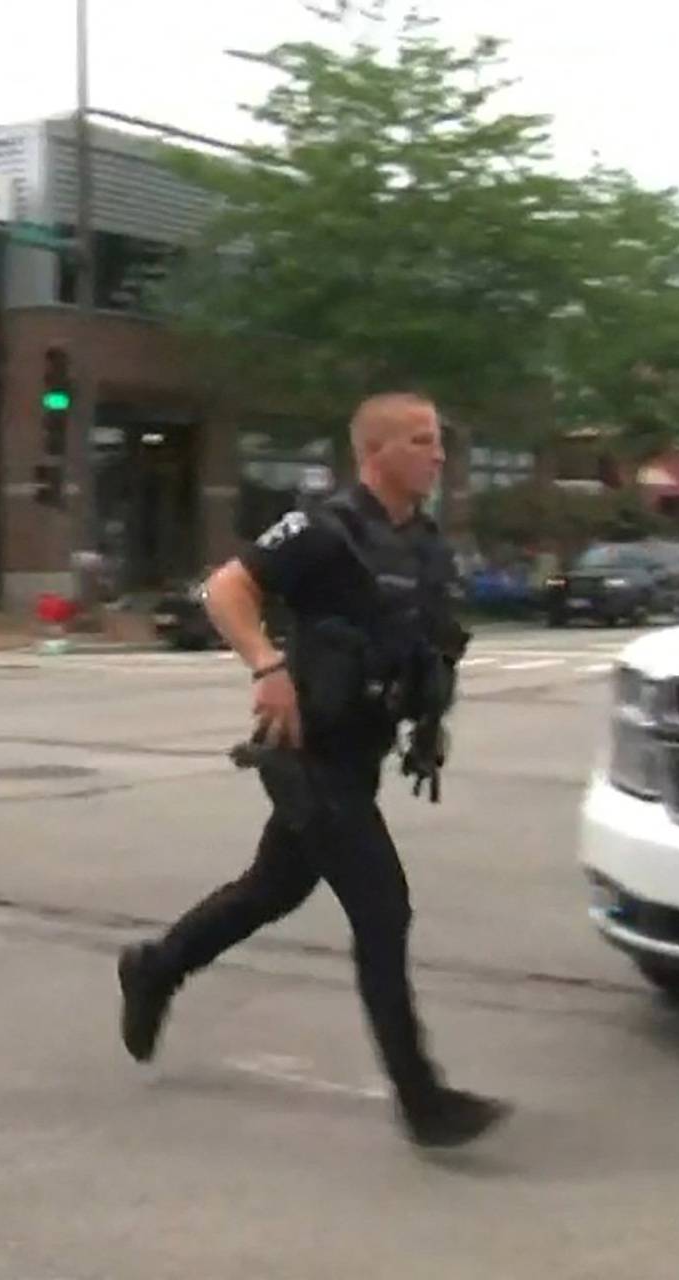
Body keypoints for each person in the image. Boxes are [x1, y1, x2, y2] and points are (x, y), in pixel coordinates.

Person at [115, 391, 511, 1149]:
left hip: (361, 756)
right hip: (309, 755)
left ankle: (155, 967)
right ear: (377, 453)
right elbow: (226, 589)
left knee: (269, 891)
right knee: (382, 909)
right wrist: (266, 665)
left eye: (440, 441)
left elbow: (428, 645)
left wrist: (429, 722)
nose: (439, 454)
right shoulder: (323, 530)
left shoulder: (426, 545)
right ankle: (422, 1099)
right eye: (422, 440)